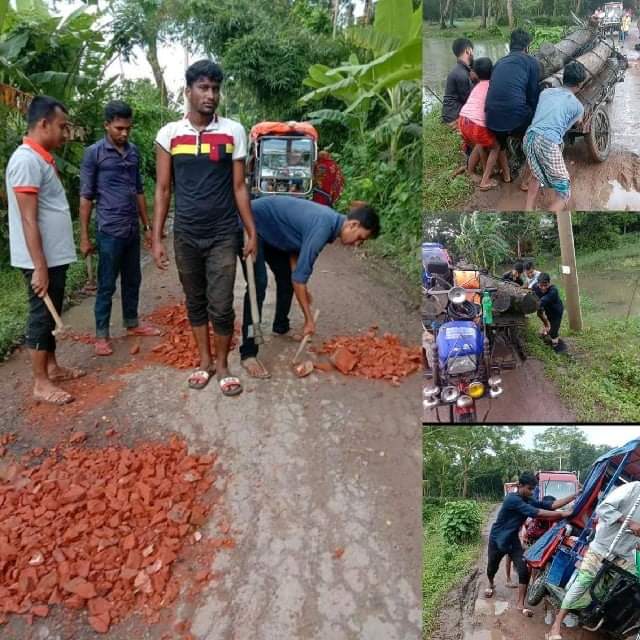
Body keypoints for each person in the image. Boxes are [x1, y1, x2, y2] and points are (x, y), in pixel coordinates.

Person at [151, 59, 258, 397]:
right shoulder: (170, 134)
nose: (210, 95)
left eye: (215, 89)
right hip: (185, 233)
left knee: (222, 302)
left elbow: (239, 186)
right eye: (203, 88)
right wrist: (156, 238)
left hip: (223, 233)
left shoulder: (233, 131)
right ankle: (204, 361)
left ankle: (224, 364)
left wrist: (250, 230)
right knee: (194, 300)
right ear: (189, 91)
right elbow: (163, 189)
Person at [239, 196, 380, 379]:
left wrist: (302, 287)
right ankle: (248, 353)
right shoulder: (323, 227)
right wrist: (309, 319)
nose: (357, 244)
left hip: (272, 230)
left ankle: (280, 326)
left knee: (286, 278)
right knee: (258, 284)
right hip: (251, 223)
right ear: (352, 225)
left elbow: (295, 251)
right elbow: (299, 279)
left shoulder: (330, 225)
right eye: (360, 238)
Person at [5, 96, 85, 405]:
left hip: (51, 257)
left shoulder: (40, 159)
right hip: (41, 260)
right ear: (43, 124)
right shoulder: (26, 160)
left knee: (51, 315)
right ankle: (40, 382)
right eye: (62, 127)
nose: (65, 134)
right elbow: (28, 218)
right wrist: (39, 266)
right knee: (41, 316)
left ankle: (52, 367)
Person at [79, 100, 160, 356]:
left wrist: (146, 225)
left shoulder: (133, 151)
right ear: (106, 126)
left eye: (128, 128)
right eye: (119, 128)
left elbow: (138, 191)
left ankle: (132, 323)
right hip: (109, 231)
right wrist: (84, 236)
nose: (124, 133)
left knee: (133, 279)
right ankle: (101, 335)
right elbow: (86, 196)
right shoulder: (95, 154)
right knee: (106, 284)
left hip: (131, 229)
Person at [548, 481, 640, 640]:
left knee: (629, 586)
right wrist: (629, 522)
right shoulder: (633, 489)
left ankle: (608, 622)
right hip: (602, 546)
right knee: (583, 582)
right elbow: (603, 507)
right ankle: (556, 625)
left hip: (625, 553)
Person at [485, 472, 574, 616]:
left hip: (512, 539)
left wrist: (575, 496)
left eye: (533, 489)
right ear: (520, 486)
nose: (532, 492)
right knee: (492, 567)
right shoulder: (511, 499)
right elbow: (536, 513)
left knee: (523, 570)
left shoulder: (527, 498)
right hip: (497, 539)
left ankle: (520, 604)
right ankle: (490, 583)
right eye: (529, 488)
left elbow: (549, 505)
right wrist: (562, 514)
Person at [524, 62, 586, 212]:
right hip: (547, 141)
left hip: (529, 137)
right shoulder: (578, 106)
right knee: (564, 193)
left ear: (563, 79)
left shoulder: (545, 93)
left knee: (536, 174)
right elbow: (578, 123)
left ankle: (528, 209)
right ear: (579, 85)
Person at [485, 29, 540, 174]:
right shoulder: (532, 62)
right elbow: (533, 95)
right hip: (515, 119)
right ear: (527, 47)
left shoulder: (498, 62)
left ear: (511, 45)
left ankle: (506, 173)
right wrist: (536, 118)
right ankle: (528, 175)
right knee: (533, 127)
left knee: (500, 140)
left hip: (490, 119)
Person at [458, 57, 511, 191]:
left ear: (476, 73)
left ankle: (470, 172)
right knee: (496, 147)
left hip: (463, 120)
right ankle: (485, 181)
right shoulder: (493, 86)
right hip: (477, 124)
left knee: (480, 143)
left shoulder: (476, 87)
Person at [441, 38, 474, 128]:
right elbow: (469, 101)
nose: (473, 54)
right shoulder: (461, 74)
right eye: (472, 51)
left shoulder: (460, 69)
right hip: (453, 119)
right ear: (468, 50)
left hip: (452, 114)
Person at [533, 273, 564, 351]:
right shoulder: (535, 287)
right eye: (541, 285)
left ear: (549, 283)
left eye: (545, 285)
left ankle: (555, 346)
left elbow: (543, 300)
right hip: (546, 308)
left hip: (556, 311)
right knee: (540, 314)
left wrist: (532, 305)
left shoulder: (553, 291)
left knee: (554, 332)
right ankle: (546, 330)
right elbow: (532, 295)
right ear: (538, 284)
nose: (543, 288)